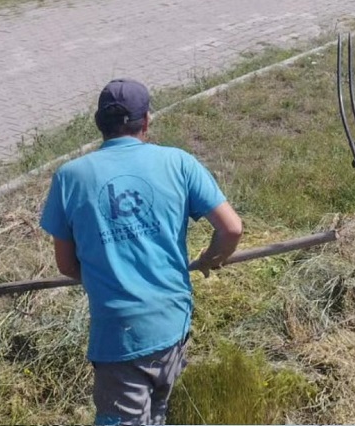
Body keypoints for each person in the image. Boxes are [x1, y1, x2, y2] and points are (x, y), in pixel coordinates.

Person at [40, 78, 244, 426]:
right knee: (156, 413)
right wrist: (213, 258)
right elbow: (232, 228)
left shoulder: (70, 177)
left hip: (119, 336)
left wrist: (100, 277)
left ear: (98, 123)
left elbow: (65, 263)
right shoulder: (179, 162)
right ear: (146, 120)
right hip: (172, 324)